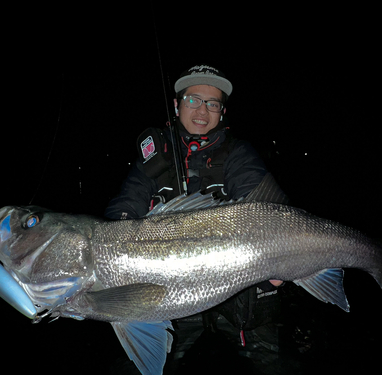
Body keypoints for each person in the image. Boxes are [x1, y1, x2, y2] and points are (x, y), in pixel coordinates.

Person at [105, 65, 287, 374]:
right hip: (175, 297)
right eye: (193, 100)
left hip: (241, 292)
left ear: (222, 110)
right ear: (176, 105)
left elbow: (264, 207)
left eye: (212, 103)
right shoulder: (154, 155)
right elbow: (124, 208)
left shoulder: (238, 153)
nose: (202, 110)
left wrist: (278, 253)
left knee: (273, 366)